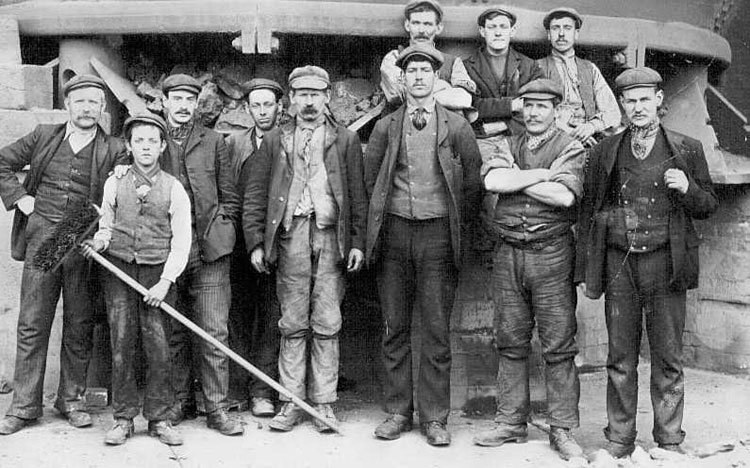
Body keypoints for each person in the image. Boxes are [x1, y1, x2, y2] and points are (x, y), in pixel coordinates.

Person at [576, 67, 718, 458]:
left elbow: (707, 206)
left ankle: (669, 440)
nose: (637, 107)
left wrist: (688, 189)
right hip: (620, 265)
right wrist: (586, 267)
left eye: (644, 99)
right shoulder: (605, 150)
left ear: (659, 101)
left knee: (668, 356)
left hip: (664, 265)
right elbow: (590, 211)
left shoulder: (687, 148)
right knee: (620, 357)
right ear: (621, 104)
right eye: (630, 100)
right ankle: (619, 440)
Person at [365, 44, 482, 446]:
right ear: (403, 78)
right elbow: (370, 181)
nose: (418, 77)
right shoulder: (386, 125)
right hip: (395, 233)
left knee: (435, 328)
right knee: (395, 326)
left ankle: (434, 417)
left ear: (436, 78)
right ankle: (398, 412)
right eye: (411, 70)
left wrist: (452, 226)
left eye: (425, 70)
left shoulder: (457, 125)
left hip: (437, 236)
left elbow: (472, 184)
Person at [0, 75, 128, 435]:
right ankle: (24, 406)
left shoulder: (115, 148)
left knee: (79, 324)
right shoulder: (43, 135)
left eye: (94, 103)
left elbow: (126, 188)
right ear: (67, 105)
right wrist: (20, 199)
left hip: (84, 243)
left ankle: (71, 400)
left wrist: (121, 175)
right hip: (45, 237)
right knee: (33, 322)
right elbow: (1, 163)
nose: (87, 108)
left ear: (103, 109)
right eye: (80, 101)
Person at [243, 65, 367, 433]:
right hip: (291, 235)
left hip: (331, 237)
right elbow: (255, 196)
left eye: (316, 94)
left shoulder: (344, 140)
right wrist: (255, 243)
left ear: (327, 97)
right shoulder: (276, 141)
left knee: (327, 321)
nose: (309, 102)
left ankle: (324, 404)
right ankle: (291, 402)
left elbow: (357, 196)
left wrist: (357, 241)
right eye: (302, 95)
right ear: (292, 100)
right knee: (292, 322)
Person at [472, 78, 586, 461]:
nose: (534, 113)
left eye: (543, 106)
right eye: (529, 106)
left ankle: (563, 428)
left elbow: (565, 195)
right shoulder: (507, 142)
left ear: (557, 110)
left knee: (558, 345)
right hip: (508, 254)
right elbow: (492, 180)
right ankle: (510, 423)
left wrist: (517, 181)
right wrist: (541, 175)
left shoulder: (570, 146)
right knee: (510, 341)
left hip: (552, 254)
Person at [83, 113, 190, 446]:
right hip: (119, 270)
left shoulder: (174, 188)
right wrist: (98, 244)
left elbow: (182, 240)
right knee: (122, 343)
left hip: (157, 272)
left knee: (159, 346)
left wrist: (166, 281)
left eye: (152, 141)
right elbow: (106, 225)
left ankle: (160, 418)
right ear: (128, 146)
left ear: (161, 147)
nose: (146, 147)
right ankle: (123, 418)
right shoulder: (115, 182)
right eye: (139, 141)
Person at [160, 73, 243, 436]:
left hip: (209, 248)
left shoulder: (214, 142)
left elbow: (230, 195)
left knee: (212, 330)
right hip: (165, 251)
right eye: (175, 99)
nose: (182, 106)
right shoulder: (150, 139)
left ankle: (216, 407)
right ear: (163, 102)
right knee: (173, 330)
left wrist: (222, 227)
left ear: (197, 105)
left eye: (188, 100)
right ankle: (181, 401)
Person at [225, 78, 284, 417]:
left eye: (269, 105)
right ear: (247, 109)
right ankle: (235, 388)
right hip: (239, 245)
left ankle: (263, 391)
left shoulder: (288, 141)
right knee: (237, 315)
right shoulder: (233, 144)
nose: (263, 112)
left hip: (277, 243)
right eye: (256, 106)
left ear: (280, 106)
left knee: (271, 317)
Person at [536, 7, 620, 147]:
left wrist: (591, 126)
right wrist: (569, 132)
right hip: (552, 140)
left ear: (576, 34)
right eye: (556, 28)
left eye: (567, 28)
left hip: (590, 137)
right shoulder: (536, 68)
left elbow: (613, 112)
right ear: (549, 34)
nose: (561, 34)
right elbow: (533, 113)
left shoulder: (590, 68)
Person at [464, 7, 541, 149]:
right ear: (482, 31)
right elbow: (471, 107)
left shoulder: (529, 66)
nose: (498, 33)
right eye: (492, 27)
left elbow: (537, 106)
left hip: (523, 139)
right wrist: (511, 106)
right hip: (483, 142)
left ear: (512, 31)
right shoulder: (466, 67)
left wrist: (503, 125)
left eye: (503, 27)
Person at [380, 0, 476, 112]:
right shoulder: (394, 57)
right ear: (407, 25)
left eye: (427, 24)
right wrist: (443, 86)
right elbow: (397, 96)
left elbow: (463, 99)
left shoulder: (453, 62)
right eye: (416, 23)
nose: (421, 30)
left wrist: (417, 91)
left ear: (439, 28)